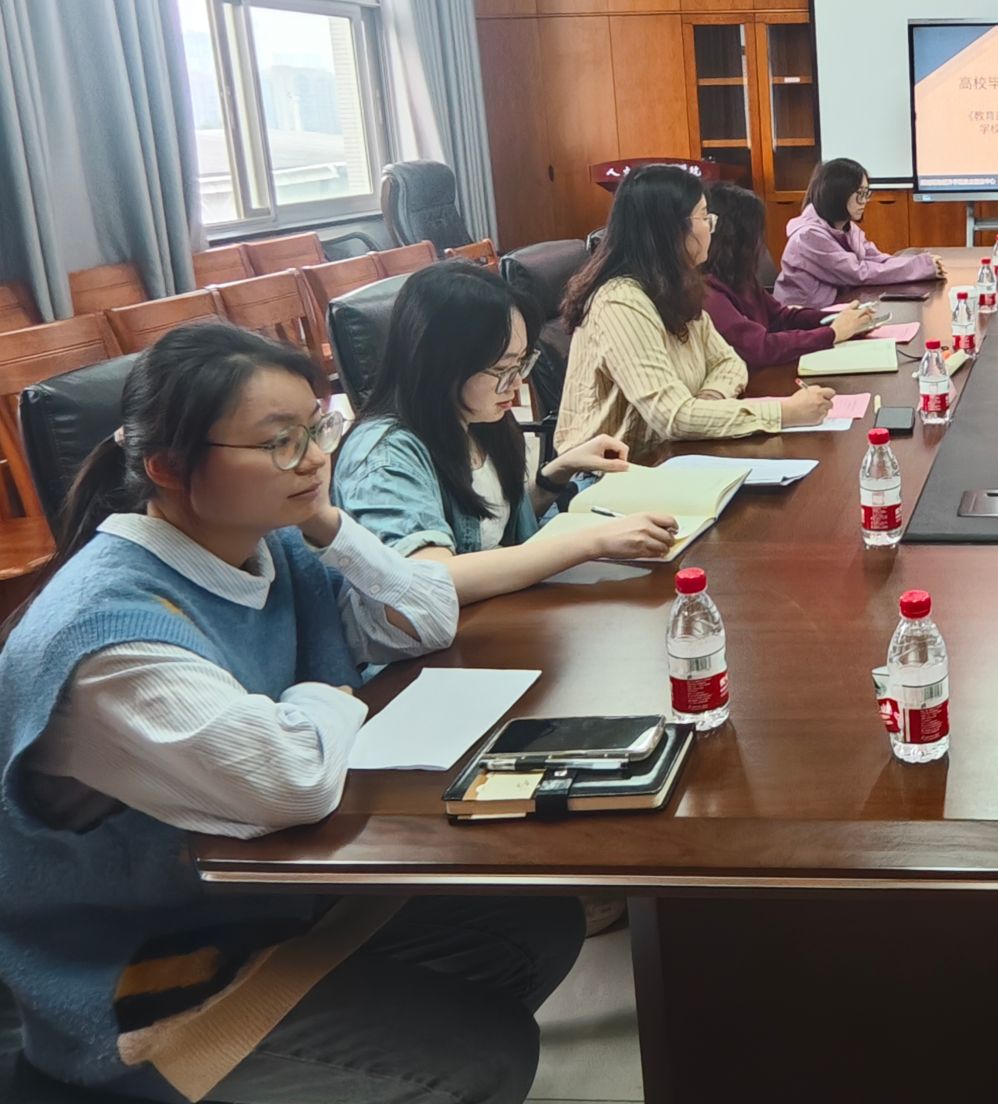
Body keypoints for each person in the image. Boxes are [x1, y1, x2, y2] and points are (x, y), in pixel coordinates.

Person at [0, 325, 583, 1103]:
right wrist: (324, 697)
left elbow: (426, 618)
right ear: (167, 467)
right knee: (483, 1055)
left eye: (317, 427)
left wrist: (330, 526)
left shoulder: (269, 546)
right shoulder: (107, 633)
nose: (314, 459)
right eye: (281, 441)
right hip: (143, 985)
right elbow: (291, 780)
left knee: (535, 922)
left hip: (275, 909)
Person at [332, 260, 679, 600]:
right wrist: (593, 541)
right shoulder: (383, 456)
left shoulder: (477, 417)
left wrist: (559, 471)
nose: (515, 385)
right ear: (441, 364)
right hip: (453, 635)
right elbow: (430, 580)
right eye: (502, 369)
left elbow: (491, 524)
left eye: (520, 364)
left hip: (503, 612)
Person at [558, 164, 835, 459]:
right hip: (612, 472)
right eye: (704, 217)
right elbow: (673, 417)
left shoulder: (677, 286)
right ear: (670, 229)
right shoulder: (621, 303)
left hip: (674, 453)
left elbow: (729, 362)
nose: (712, 227)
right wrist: (784, 412)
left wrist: (709, 399)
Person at [703, 182, 878, 369]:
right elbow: (759, 348)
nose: (759, 244)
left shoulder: (738, 274)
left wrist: (837, 319)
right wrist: (832, 333)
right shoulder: (706, 290)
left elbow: (781, 317)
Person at [774, 158, 944, 307]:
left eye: (866, 193)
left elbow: (877, 259)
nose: (864, 201)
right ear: (838, 194)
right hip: (804, 319)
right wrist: (919, 267)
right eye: (859, 194)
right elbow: (858, 273)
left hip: (836, 307)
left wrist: (921, 264)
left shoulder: (847, 227)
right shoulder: (808, 236)